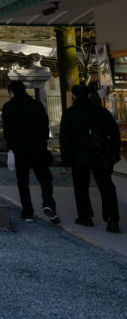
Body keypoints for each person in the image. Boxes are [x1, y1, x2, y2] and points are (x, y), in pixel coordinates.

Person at [59, 84, 121, 233]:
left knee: (81, 187)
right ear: (89, 95)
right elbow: (114, 134)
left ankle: (85, 216)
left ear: (73, 96)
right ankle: (112, 219)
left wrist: (66, 160)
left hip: (78, 156)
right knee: (106, 187)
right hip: (100, 155)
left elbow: (65, 139)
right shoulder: (101, 112)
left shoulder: (69, 114)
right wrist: (112, 153)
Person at [2, 80, 58, 223]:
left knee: (23, 181)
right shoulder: (37, 105)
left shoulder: (9, 106)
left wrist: (11, 146)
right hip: (38, 147)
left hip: (20, 148)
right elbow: (45, 126)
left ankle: (27, 212)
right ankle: (48, 203)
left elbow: (7, 130)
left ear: (11, 92)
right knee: (45, 178)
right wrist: (43, 142)